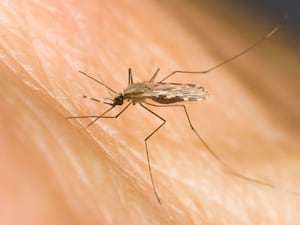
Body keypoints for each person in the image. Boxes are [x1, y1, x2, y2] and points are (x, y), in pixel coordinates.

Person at [1, 1, 299, 224]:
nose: (117, 101)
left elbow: (119, 109)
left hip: (159, 94)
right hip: (152, 90)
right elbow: (123, 96)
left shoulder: (132, 96)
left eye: (119, 98)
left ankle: (218, 155)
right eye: (119, 98)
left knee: (164, 111)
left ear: (125, 96)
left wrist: (89, 118)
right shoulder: (127, 93)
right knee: (161, 81)